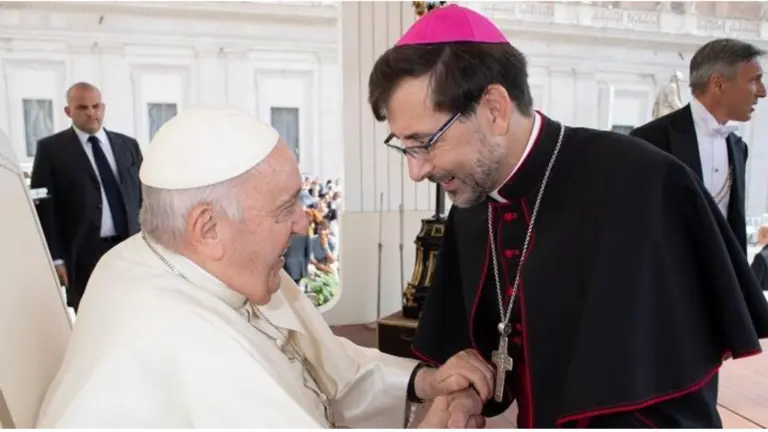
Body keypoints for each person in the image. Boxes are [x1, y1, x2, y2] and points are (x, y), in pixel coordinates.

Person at [367, 4, 768, 428]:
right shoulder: (472, 205)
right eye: (405, 146)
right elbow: (479, 349)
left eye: (426, 141)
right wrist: (466, 392)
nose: (417, 171)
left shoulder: (643, 183)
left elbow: (664, 387)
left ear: (495, 109)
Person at [35, 108, 494, 428]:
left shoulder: (157, 256)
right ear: (209, 228)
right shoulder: (192, 346)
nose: (303, 224)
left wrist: (423, 381)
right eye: (285, 208)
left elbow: (325, 364)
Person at [632, 39, 766, 254]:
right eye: (754, 80)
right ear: (718, 83)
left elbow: (735, 230)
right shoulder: (649, 139)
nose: (762, 92)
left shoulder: (739, 148)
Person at [30, 82, 143, 312]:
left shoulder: (128, 146)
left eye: (96, 106)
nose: (91, 113)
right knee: (92, 318)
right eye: (82, 107)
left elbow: (144, 198)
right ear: (68, 111)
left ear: (103, 108)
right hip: (81, 254)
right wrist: (55, 258)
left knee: (133, 313)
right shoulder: (51, 150)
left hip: (129, 249)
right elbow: (45, 209)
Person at [750, 226, 768, 291]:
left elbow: (753, 282)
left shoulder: (760, 257)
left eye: (759, 234)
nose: (757, 237)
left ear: (765, 236)